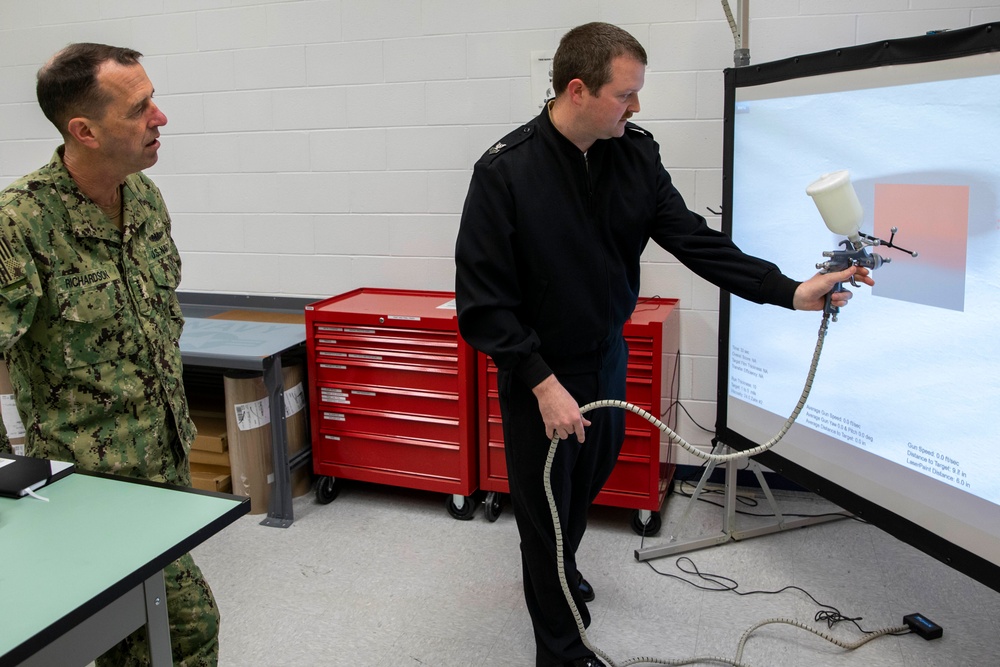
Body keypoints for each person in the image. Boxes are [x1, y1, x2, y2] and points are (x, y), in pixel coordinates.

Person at [454, 22, 873, 667]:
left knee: (586, 482)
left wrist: (789, 291)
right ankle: (559, 650)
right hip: (540, 373)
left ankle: (560, 575)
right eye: (626, 95)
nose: (637, 107)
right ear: (577, 90)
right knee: (544, 510)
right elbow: (482, 306)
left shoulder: (635, 156)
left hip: (606, 358)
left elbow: (696, 242)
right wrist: (541, 382)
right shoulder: (505, 175)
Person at [0, 43, 220, 666]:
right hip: (91, 491)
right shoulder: (19, 223)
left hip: (165, 472)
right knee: (184, 632)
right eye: (141, 106)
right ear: (85, 131)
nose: (161, 118)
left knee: (133, 644)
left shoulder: (144, 198)